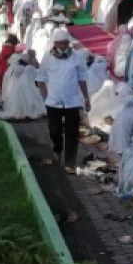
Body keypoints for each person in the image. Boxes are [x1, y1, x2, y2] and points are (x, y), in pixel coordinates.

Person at [35, 28, 91, 173]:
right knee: (55, 131)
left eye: (65, 44)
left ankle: (70, 162)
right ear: (55, 44)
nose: (63, 47)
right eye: (60, 44)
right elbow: (40, 78)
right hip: (53, 102)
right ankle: (57, 150)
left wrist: (86, 98)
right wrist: (45, 95)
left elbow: (82, 78)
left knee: (72, 133)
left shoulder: (77, 57)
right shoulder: (48, 57)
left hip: (72, 101)